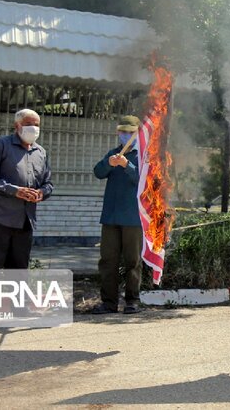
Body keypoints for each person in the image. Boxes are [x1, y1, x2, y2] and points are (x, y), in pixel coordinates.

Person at [0, 108, 53, 269]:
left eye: (36, 125)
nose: (33, 128)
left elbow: (48, 183)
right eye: (28, 124)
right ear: (17, 126)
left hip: (25, 221)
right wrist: (14, 190)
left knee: (18, 271)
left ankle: (15, 296)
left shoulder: (41, 152)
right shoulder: (0, 145)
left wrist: (41, 193)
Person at [92, 115, 143, 315]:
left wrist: (126, 166)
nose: (126, 136)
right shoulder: (113, 153)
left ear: (137, 134)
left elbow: (144, 181)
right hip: (110, 217)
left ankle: (132, 301)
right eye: (123, 132)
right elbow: (98, 172)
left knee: (132, 262)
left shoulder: (143, 156)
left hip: (133, 218)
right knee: (107, 261)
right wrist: (109, 163)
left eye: (130, 133)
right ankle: (109, 302)